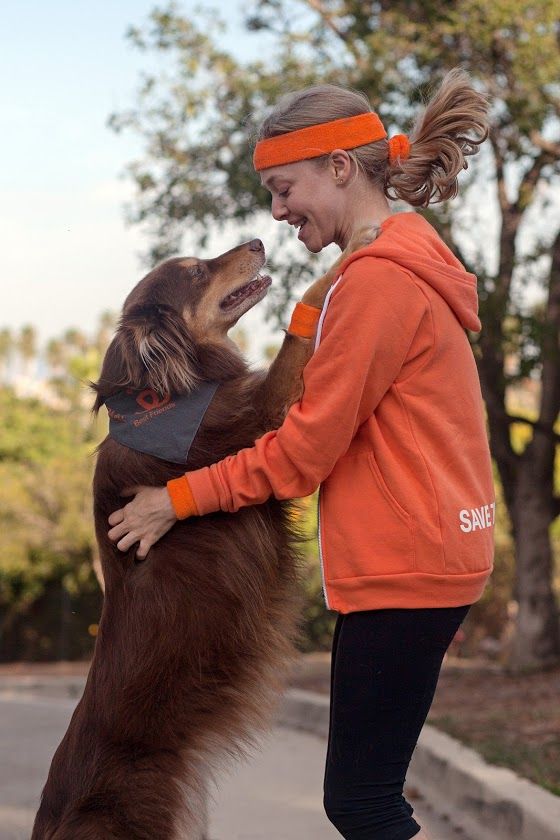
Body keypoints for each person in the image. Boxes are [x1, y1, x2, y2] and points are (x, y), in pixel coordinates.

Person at [107, 68, 495, 840]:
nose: (277, 211)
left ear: (340, 168)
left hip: (406, 566)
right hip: (428, 552)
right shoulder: (397, 260)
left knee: (364, 803)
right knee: (367, 795)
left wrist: (173, 499)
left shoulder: (378, 283)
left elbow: (301, 454)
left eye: (286, 189)